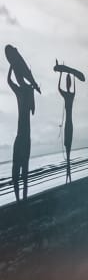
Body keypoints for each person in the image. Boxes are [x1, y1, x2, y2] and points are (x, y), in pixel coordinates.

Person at [7, 62, 36, 201]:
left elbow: (8, 80)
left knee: (18, 172)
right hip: (24, 137)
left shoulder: (21, 91)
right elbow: (33, 110)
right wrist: (32, 88)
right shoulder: (27, 91)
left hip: (21, 137)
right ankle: (22, 199)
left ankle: (20, 199)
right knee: (23, 172)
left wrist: (12, 65)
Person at [58, 67, 76, 183]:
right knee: (68, 150)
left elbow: (58, 88)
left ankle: (68, 175)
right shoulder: (71, 95)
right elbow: (60, 88)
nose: (67, 84)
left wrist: (61, 74)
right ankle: (68, 175)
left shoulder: (67, 95)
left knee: (68, 150)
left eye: (67, 82)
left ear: (67, 83)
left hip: (68, 125)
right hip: (70, 124)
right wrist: (73, 76)